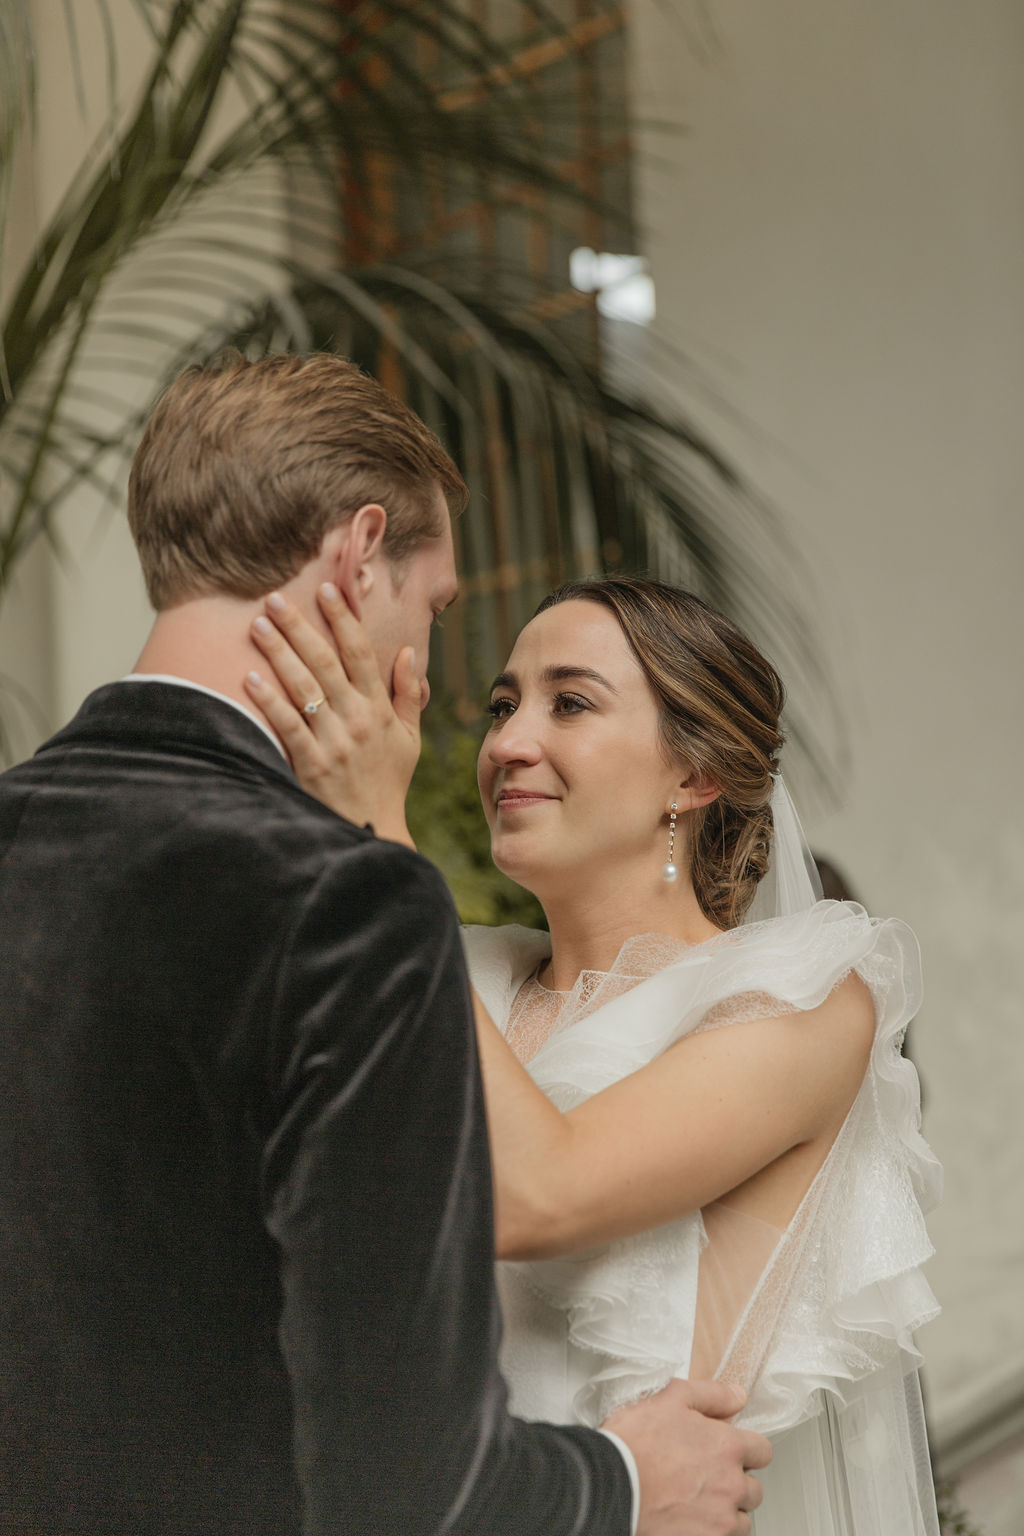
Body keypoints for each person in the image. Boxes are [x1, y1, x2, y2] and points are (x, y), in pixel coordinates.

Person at [0, 353, 771, 1536]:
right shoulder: (345, 902)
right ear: (359, 559)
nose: (434, 658)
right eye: (439, 607)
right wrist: (621, 1481)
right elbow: (409, 1483)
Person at [251, 572, 943, 1536]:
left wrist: (381, 846)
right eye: (503, 705)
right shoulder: (461, 975)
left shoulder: (805, 1002)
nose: (507, 743)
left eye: (568, 703)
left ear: (693, 775)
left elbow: (542, 1193)